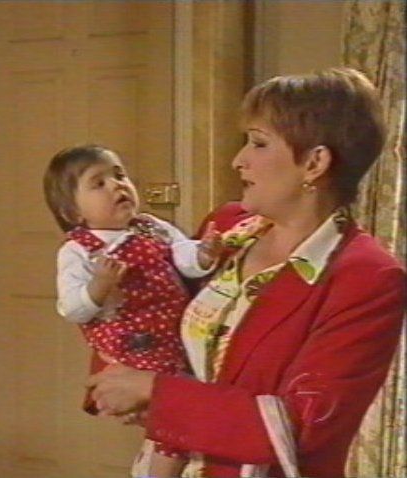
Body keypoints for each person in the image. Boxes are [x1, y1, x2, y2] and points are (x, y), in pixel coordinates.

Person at [87, 67, 407, 478]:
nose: (238, 161)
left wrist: (154, 392)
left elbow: (300, 429)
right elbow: (150, 310)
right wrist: (117, 377)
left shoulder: (367, 278)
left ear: (315, 162)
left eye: (258, 143)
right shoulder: (226, 228)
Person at [43, 145, 221, 478]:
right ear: (72, 211)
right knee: (173, 414)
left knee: (180, 408)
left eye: (119, 175)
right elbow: (73, 308)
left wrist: (204, 255)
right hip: (134, 345)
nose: (117, 186)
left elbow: (183, 255)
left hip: (176, 334)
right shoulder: (79, 250)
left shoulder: (152, 226)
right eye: (99, 183)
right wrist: (99, 287)